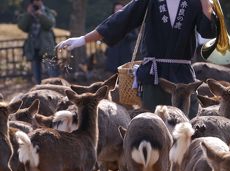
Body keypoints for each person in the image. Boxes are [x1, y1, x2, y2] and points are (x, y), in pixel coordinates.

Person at [56, 0, 215, 118]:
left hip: (183, 77)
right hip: (154, 77)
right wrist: (83, 39)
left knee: (189, 126)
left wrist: (207, 9)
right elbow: (120, 20)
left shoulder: (195, 2)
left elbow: (208, 33)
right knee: (153, 125)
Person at [18, 0, 59, 84]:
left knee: (52, 73)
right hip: (33, 48)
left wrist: (40, 15)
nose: (36, 3)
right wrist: (28, 14)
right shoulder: (29, 15)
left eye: (37, 0)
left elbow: (49, 25)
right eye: (34, 1)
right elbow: (22, 26)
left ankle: (56, 89)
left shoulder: (47, 12)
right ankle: (39, 92)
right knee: (37, 76)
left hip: (46, 47)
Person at [104, 2, 137, 73]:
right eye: (116, 9)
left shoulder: (130, 21)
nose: (118, 10)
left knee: (125, 74)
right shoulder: (109, 21)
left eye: (120, 9)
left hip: (125, 52)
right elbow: (104, 35)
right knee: (112, 76)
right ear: (114, 10)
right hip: (113, 53)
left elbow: (135, 36)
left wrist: (125, 33)